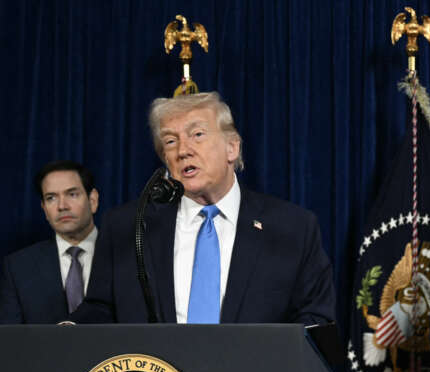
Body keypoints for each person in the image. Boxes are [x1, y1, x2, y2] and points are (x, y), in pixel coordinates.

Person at [72, 92, 334, 324]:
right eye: (170, 141)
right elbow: (101, 310)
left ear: (232, 147)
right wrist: (68, 331)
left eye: (197, 135)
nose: (183, 151)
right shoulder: (128, 226)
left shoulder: (293, 228)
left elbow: (315, 319)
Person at [0, 160, 99, 323]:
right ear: (44, 208)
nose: (62, 206)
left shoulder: (125, 257)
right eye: (51, 198)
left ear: (93, 200)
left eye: (72, 194)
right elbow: (10, 335)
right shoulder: (18, 268)